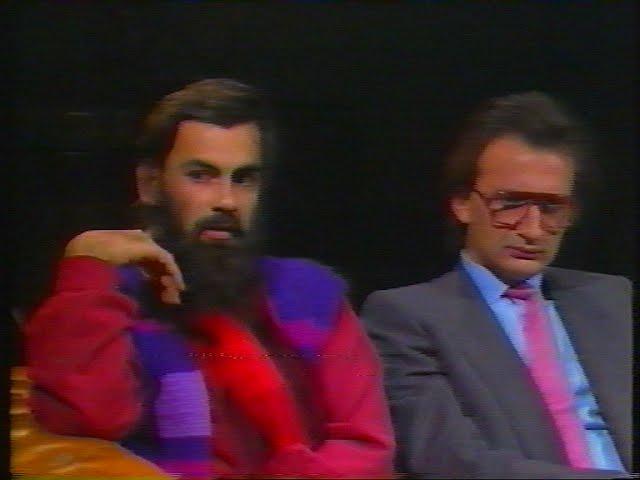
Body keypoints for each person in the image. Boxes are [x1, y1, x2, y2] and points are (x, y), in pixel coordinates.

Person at [24, 78, 395, 479]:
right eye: (201, 175)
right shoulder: (110, 301)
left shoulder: (312, 295)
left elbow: (365, 444)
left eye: (244, 179)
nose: (227, 201)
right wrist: (88, 266)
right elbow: (88, 418)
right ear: (150, 184)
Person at [361, 92, 631, 478]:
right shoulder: (405, 318)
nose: (532, 230)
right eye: (510, 203)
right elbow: (450, 459)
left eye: (552, 208)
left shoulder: (611, 299)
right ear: (462, 203)